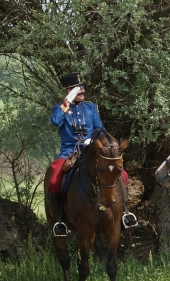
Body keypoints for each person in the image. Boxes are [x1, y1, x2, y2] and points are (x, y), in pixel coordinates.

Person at [48, 73, 134, 235]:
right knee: (53, 180)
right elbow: (55, 121)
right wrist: (67, 101)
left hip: (90, 151)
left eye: (82, 88)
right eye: (77, 89)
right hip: (69, 152)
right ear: (69, 90)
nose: (82, 91)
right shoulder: (61, 108)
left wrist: (97, 141)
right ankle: (59, 221)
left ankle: (125, 212)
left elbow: (100, 128)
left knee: (123, 175)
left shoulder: (90, 107)